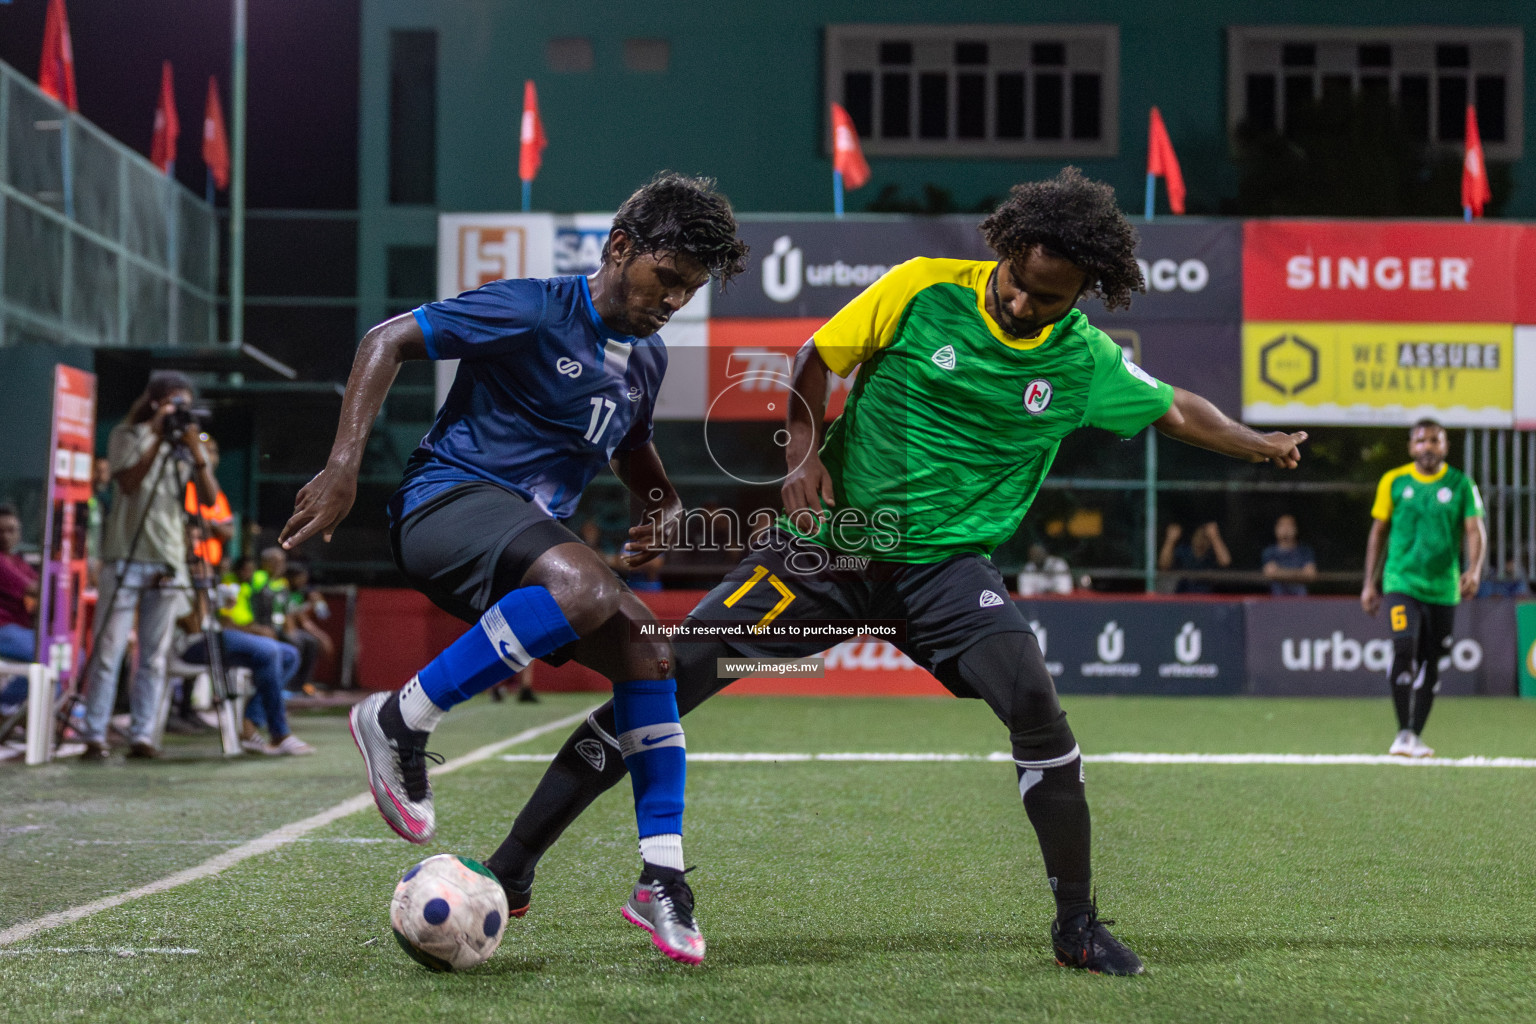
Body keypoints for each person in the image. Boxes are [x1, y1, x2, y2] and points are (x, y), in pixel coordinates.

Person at [484, 167, 1308, 976]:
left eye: (1046, 297)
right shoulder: (922, 288)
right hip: (828, 552)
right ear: (1006, 250)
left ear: (1085, 291)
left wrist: (1260, 441)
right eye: (1016, 280)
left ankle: (1077, 927)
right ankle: (513, 867)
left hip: (941, 576)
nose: (1021, 303)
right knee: (664, 671)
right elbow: (816, 357)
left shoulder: (1084, 363)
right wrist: (801, 455)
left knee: (1033, 704)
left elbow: (1172, 406)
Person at [279, 172, 748, 965]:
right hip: (444, 507)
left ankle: (659, 878)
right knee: (589, 587)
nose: (674, 300)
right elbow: (386, 339)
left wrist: (662, 504)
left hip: (521, 542)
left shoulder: (647, 360)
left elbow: (632, 449)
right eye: (667, 279)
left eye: (690, 290)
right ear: (619, 247)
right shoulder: (534, 306)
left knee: (649, 651)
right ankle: (399, 718)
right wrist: (344, 464)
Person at [79, 371, 218, 761]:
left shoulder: (188, 447)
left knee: (155, 656)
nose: (179, 411)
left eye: (185, 405)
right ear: (154, 401)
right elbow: (127, 484)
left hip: (168, 560)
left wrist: (195, 451)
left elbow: (208, 499)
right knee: (109, 651)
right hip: (125, 554)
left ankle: (143, 736)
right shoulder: (127, 435)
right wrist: (157, 435)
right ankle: (94, 735)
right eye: (173, 403)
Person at [1361, 419, 1485, 759]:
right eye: (1421, 441)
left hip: (1444, 588)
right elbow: (1378, 532)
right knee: (1404, 649)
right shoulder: (1394, 481)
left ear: (1444, 446)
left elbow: (1475, 531)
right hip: (1401, 581)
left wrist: (1473, 570)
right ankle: (1402, 733)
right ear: (1411, 447)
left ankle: (1415, 734)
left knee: (1433, 661)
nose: (1427, 447)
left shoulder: (1461, 484)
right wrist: (1369, 583)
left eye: (1434, 440)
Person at [0, 504, 39, 712]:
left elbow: (42, 588)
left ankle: (8, 709)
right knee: (49, 655)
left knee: (69, 657)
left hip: (17, 629)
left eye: (11, 530)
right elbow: (34, 588)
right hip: (3, 629)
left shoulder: (17, 561)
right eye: (1, 531)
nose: (6, 536)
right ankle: (6, 706)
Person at [1157, 521, 1231, 593]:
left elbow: (1225, 562)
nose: (1201, 540)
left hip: (1206, 599)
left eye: (1205, 537)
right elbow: (1164, 564)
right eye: (1198, 536)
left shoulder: (1211, 555)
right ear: (1193, 537)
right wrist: (1170, 540)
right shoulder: (1184, 551)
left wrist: (1215, 537)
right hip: (1182, 597)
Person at [1261, 514, 1317, 596]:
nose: (1286, 529)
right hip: (1277, 599)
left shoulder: (1305, 551)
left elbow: (1311, 574)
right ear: (1276, 529)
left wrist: (1280, 573)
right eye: (1282, 526)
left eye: (1289, 525)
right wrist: (1300, 574)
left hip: (1301, 599)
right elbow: (1270, 573)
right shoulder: (1269, 552)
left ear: (1296, 529)